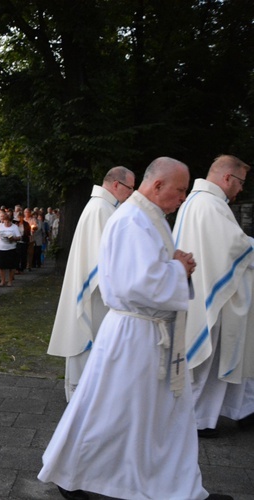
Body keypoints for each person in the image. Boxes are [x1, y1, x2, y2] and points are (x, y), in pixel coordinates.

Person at [38, 157, 236, 500]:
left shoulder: (149, 216)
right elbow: (136, 284)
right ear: (157, 186)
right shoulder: (132, 220)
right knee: (113, 411)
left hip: (149, 333)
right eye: (179, 190)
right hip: (136, 335)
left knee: (149, 414)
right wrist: (179, 269)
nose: (183, 198)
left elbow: (148, 271)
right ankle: (73, 474)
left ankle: (178, 487)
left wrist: (174, 266)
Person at [172, 154, 254, 437]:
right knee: (206, 359)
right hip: (208, 293)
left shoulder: (200, 201)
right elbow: (235, 247)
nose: (241, 189)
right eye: (240, 182)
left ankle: (228, 412)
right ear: (227, 177)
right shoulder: (209, 204)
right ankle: (196, 419)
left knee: (217, 357)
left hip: (201, 287)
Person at [46, 166, 136, 400]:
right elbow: (105, 261)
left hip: (97, 292)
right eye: (130, 188)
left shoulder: (104, 207)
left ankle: (85, 395)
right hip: (96, 293)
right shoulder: (101, 209)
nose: (132, 193)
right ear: (116, 185)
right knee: (88, 340)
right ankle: (82, 396)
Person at [0, 211, 21, 287]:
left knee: (11, 266)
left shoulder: (14, 227)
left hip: (11, 248)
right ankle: (3, 280)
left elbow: (19, 237)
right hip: (1, 248)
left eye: (8, 222)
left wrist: (13, 239)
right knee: (2, 266)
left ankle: (10, 281)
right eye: (5, 221)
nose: (6, 223)